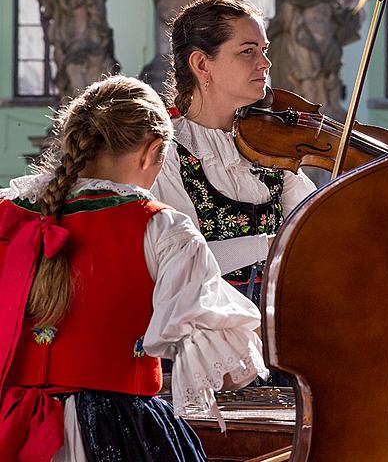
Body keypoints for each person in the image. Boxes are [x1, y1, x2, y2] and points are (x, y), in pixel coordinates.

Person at [0, 75, 267, 462]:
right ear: (152, 152)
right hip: (117, 431)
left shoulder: (9, 217)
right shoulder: (163, 228)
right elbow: (222, 370)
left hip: (12, 430)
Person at [153, 0, 316, 308]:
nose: (265, 63)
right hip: (204, 339)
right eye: (248, 51)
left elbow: (313, 229)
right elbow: (181, 262)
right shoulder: (167, 152)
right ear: (202, 64)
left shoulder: (272, 144)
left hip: (279, 330)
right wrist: (271, 245)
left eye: (263, 50)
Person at [268, 0, 360, 121]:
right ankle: (311, 106)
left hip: (325, 39)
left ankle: (328, 106)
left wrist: (348, 17)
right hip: (302, 36)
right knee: (309, 70)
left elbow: (336, 17)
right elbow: (289, 9)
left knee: (331, 68)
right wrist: (297, 30)